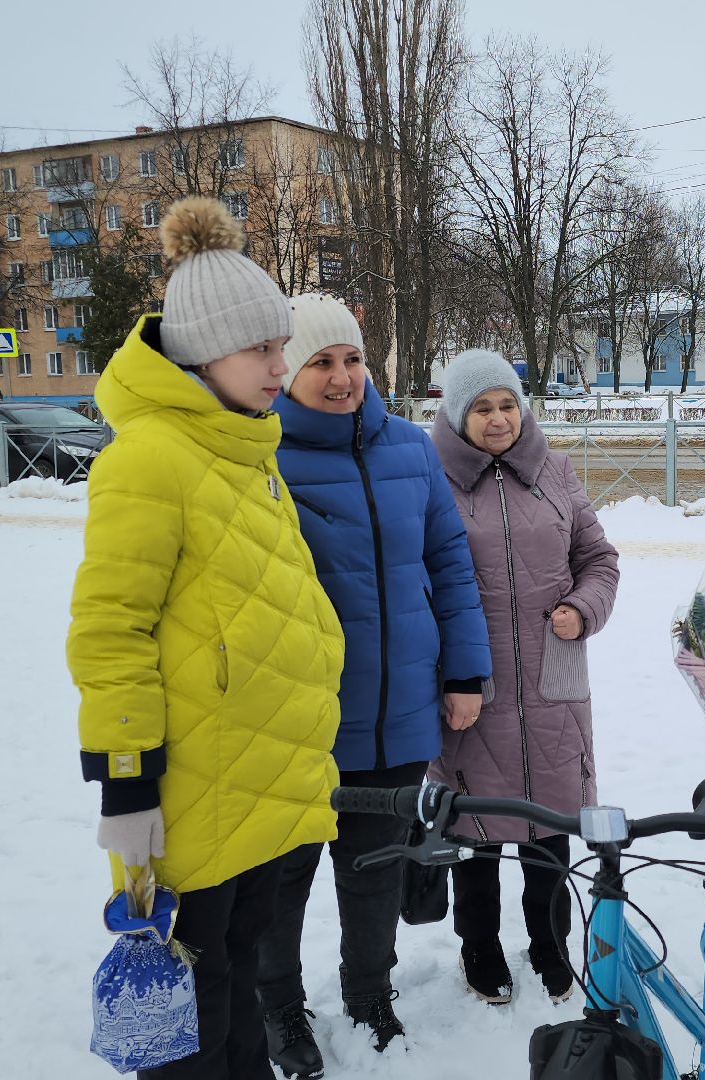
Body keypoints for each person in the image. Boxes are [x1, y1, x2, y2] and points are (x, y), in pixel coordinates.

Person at [68, 197, 345, 1080]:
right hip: (187, 793)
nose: (281, 364)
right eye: (263, 349)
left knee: (238, 968)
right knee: (194, 996)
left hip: (258, 780)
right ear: (200, 353)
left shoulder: (244, 449)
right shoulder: (149, 457)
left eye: (280, 346)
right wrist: (125, 786)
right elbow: (112, 631)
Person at [255, 294, 490, 1074]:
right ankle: (280, 1006)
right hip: (300, 718)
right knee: (282, 880)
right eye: (320, 361)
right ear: (285, 371)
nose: (341, 377)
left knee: (375, 870)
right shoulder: (260, 457)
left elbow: (449, 564)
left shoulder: (409, 449)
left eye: (351, 359)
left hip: (398, 709)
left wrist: (463, 671)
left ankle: (368, 993)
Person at [428, 350, 620, 1006]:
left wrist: (582, 608)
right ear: (458, 414)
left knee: (550, 822)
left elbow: (598, 558)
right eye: (482, 408)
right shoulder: (433, 479)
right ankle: (477, 944)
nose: (498, 418)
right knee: (474, 825)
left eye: (507, 403)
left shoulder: (555, 471)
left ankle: (550, 940)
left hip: (552, 681)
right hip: (471, 686)